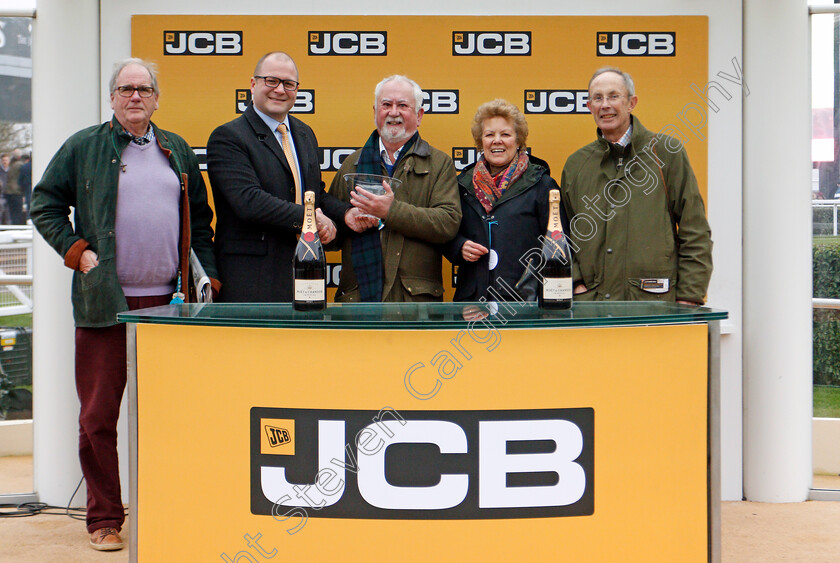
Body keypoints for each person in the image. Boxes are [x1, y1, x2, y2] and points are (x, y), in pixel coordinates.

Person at [30, 57, 219, 551]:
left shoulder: (175, 149)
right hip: (104, 304)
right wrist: (77, 251)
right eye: (125, 89)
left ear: (157, 98)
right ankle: (105, 519)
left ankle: (170, 505)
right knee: (97, 417)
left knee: (172, 414)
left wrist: (209, 279)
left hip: (169, 308)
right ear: (112, 97)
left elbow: (199, 219)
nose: (135, 97)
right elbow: (44, 203)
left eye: (144, 89)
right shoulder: (84, 146)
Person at [207, 51, 365, 302]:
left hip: (305, 275)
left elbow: (313, 195)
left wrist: (345, 215)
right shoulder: (228, 137)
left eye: (289, 84)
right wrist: (311, 219)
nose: (280, 90)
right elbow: (249, 201)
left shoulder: (304, 133)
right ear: (253, 84)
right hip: (251, 281)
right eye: (271, 81)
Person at [560, 67, 713, 304]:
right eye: (597, 98)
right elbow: (564, 236)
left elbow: (695, 231)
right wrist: (576, 281)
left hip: (654, 306)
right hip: (591, 309)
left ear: (632, 103)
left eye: (613, 96)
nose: (605, 105)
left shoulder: (666, 153)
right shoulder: (576, 164)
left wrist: (689, 297)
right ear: (589, 107)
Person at [329, 75, 461, 302]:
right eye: (386, 105)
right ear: (375, 112)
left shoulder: (440, 164)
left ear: (419, 116)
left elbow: (447, 223)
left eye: (403, 106)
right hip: (359, 302)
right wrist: (340, 221)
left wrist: (391, 211)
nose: (393, 112)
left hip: (415, 306)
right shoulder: (352, 165)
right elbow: (332, 234)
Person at [443, 99, 569, 302]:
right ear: (480, 141)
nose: (497, 141)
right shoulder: (461, 185)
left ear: (519, 141)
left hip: (523, 304)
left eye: (506, 134)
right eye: (489, 135)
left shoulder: (542, 185)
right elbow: (444, 231)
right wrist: (459, 246)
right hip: (472, 305)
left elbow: (559, 246)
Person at [4, 150, 25, 224]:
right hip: (17, 191)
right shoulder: (20, 165)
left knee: (12, 212)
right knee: (18, 212)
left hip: (8, 191)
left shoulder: (11, 165)